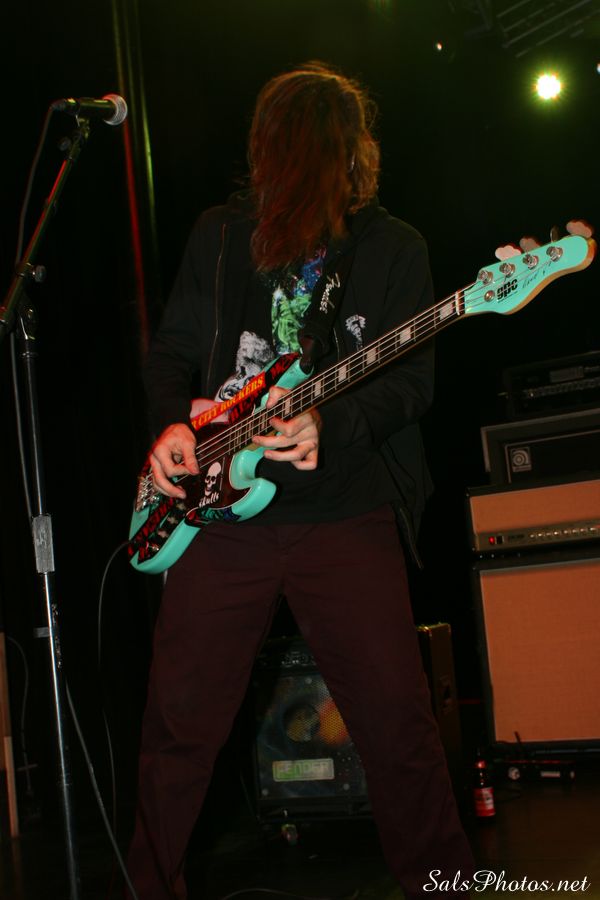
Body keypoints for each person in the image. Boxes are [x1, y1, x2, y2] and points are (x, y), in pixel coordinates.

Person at [127, 62, 474, 900]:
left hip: (345, 516)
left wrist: (333, 423)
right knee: (179, 731)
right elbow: (171, 353)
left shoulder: (392, 248)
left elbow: (413, 384)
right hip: (221, 523)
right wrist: (171, 423)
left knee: (397, 729)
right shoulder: (220, 237)